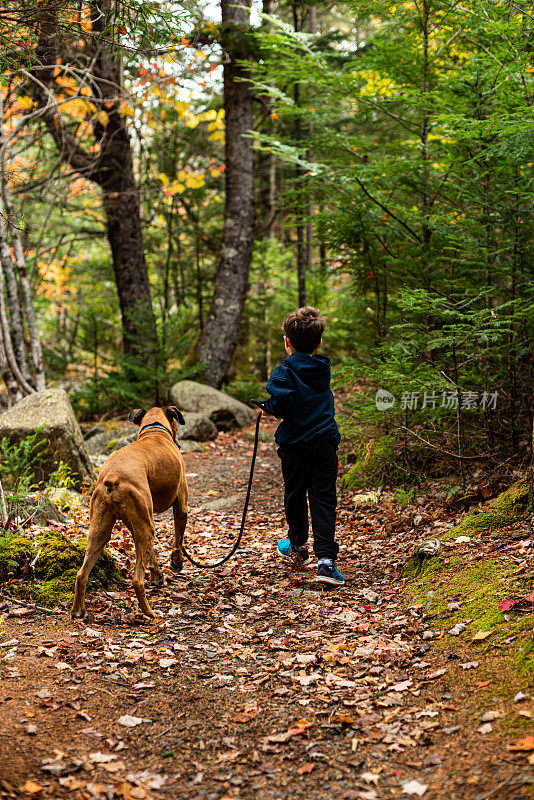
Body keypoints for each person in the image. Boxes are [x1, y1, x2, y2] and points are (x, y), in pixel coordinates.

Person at [260, 306, 344, 586]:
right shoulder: (322, 368)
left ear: (287, 342)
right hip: (323, 444)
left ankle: (297, 546)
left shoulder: (284, 371)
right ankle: (326, 563)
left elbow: (282, 404)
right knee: (323, 499)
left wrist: (267, 407)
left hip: (295, 446)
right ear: (319, 343)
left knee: (295, 494)